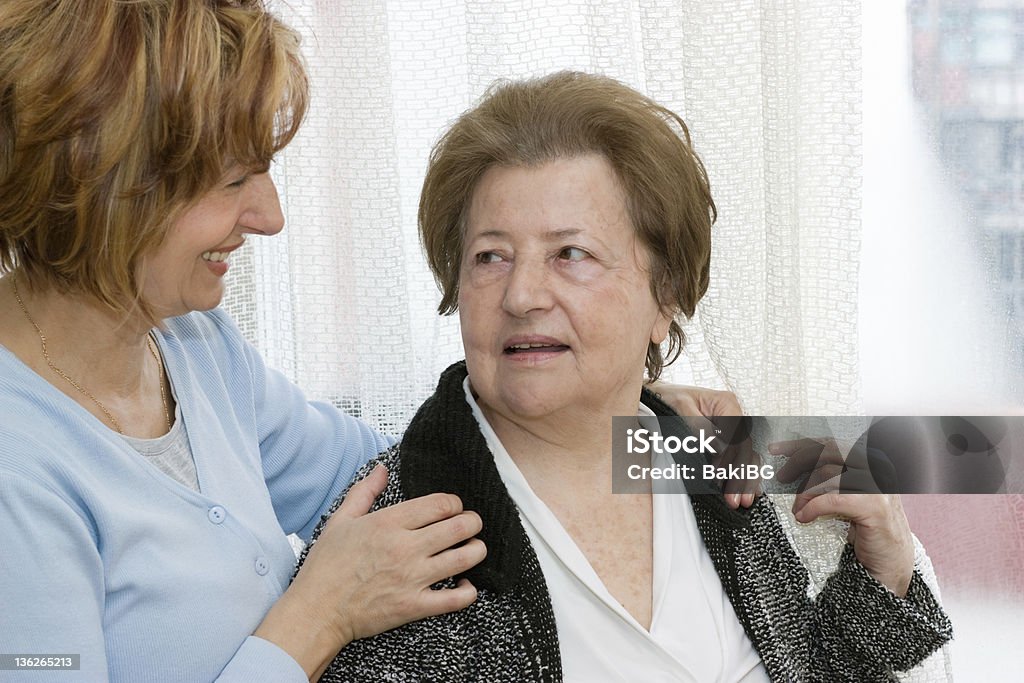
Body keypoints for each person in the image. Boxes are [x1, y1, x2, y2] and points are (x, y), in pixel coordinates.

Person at [0, 4, 731, 681]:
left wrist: (610, 403)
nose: (270, 215)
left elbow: (400, 466)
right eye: (232, 181)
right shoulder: (18, 466)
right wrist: (317, 617)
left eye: (570, 254)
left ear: (664, 299)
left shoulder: (194, 348)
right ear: (99, 186)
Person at [301, 71, 954, 682]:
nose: (522, 293)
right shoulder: (392, 540)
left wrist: (884, 573)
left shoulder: (712, 466)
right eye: (490, 256)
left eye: (571, 253)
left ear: (664, 295)